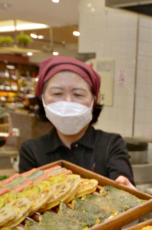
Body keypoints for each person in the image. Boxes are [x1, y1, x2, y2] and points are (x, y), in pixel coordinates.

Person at [19, 57, 135, 187]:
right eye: (57, 93)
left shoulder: (111, 145)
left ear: (93, 101)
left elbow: (125, 187)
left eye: (78, 94)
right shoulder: (31, 151)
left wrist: (128, 190)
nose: (68, 102)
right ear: (42, 99)